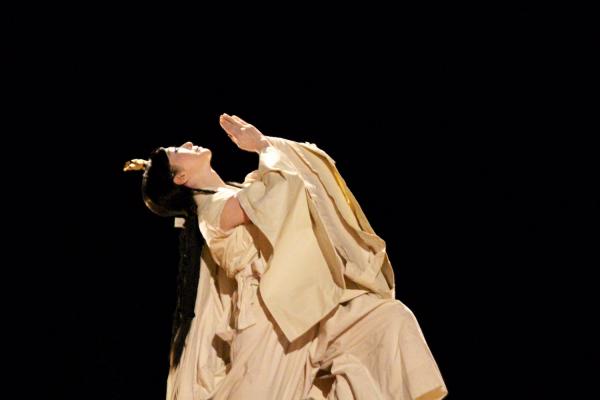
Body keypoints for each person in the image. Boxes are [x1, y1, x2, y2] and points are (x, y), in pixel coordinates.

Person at [124, 114, 448, 400]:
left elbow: (285, 190)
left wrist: (265, 145)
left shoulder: (234, 193)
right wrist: (261, 145)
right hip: (270, 321)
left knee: (389, 320)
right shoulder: (212, 210)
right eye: (177, 151)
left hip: (303, 302)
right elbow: (278, 194)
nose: (187, 143)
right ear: (180, 178)